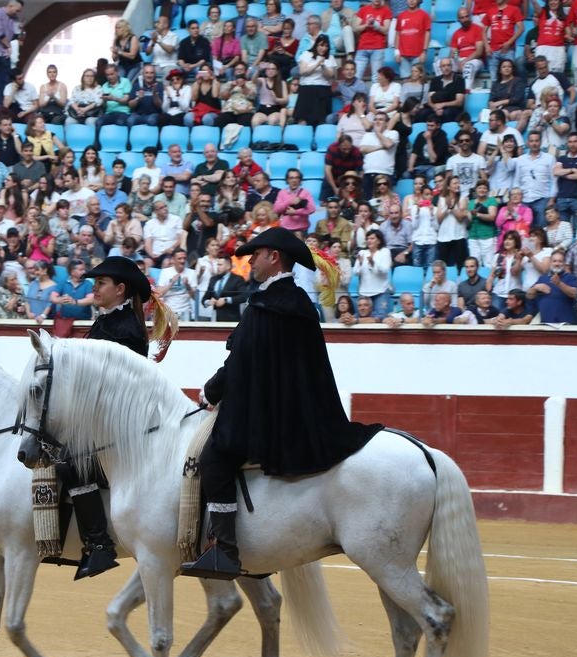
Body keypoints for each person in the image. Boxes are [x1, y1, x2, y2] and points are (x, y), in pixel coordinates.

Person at [182, 227, 381, 580]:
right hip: (298, 410)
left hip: (269, 414)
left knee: (215, 456)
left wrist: (210, 392)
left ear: (274, 258)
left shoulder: (266, 305)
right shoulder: (296, 302)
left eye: (256, 255)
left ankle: (225, 550)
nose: (250, 262)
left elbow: (239, 363)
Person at [46, 255, 178, 580]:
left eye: (100, 283)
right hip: (102, 418)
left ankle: (99, 542)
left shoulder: (125, 329)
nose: (95, 289)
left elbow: (109, 384)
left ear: (120, 289)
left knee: (72, 463)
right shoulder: (108, 322)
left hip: (116, 424)